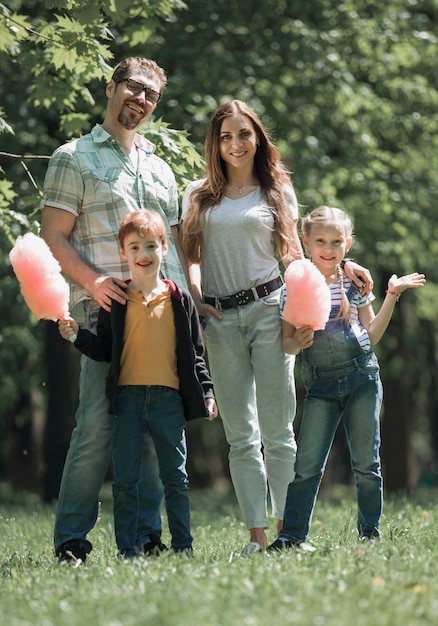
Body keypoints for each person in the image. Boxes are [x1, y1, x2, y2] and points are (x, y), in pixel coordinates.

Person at [181, 101, 372, 555]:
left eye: (243, 134)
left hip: (271, 312)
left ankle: (290, 534)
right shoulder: (197, 194)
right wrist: (196, 295)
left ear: (257, 137)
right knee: (240, 435)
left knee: (279, 430)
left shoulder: (276, 191)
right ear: (216, 142)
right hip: (221, 320)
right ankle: (256, 537)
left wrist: (342, 268)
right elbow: (190, 254)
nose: (235, 144)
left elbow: (296, 255)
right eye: (226, 136)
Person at [41, 57, 189, 563]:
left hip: (162, 314)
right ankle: (71, 541)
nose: (141, 99)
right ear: (112, 87)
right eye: (133, 87)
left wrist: (190, 308)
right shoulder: (73, 156)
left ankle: (147, 537)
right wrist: (93, 280)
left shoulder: (161, 166)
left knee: (146, 425)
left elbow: (176, 249)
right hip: (104, 314)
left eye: (151, 94)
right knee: (97, 427)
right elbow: (54, 235)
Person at [58, 210, 217, 558]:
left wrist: (206, 392)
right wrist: (77, 337)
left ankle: (183, 546)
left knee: (175, 479)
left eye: (150, 246)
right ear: (123, 253)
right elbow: (102, 349)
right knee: (126, 482)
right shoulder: (116, 301)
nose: (143, 255)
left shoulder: (179, 299)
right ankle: (127, 549)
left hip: (168, 401)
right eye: (134, 248)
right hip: (126, 401)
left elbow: (195, 353)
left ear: (164, 248)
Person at [267, 206, 426, 552]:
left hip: (361, 378)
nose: (329, 248)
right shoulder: (294, 287)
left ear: (347, 243)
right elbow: (286, 342)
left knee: (366, 463)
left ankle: (369, 534)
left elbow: (372, 334)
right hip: (320, 385)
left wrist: (392, 295)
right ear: (306, 243)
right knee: (307, 464)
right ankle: (291, 536)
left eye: (336, 241)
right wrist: (298, 341)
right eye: (321, 241)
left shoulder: (354, 283)